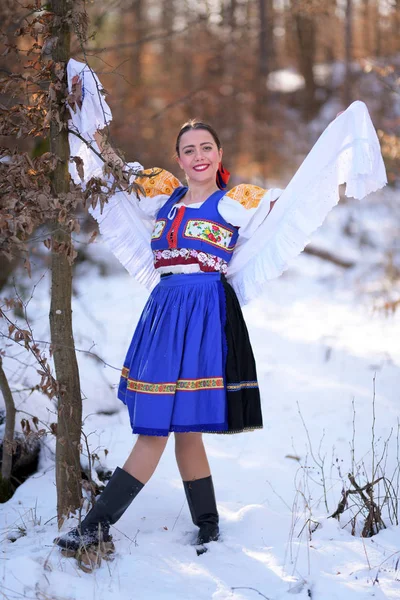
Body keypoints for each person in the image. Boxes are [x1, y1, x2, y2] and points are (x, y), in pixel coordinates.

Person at [55, 59, 387, 553]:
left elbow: (289, 206)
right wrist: (86, 115)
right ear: (179, 159)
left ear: (218, 153)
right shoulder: (161, 197)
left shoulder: (237, 202)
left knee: (177, 430)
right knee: (165, 427)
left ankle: (116, 526)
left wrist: (332, 155)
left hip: (207, 317)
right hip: (164, 317)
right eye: (188, 150)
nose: (198, 156)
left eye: (206, 147)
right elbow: (106, 171)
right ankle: (189, 525)